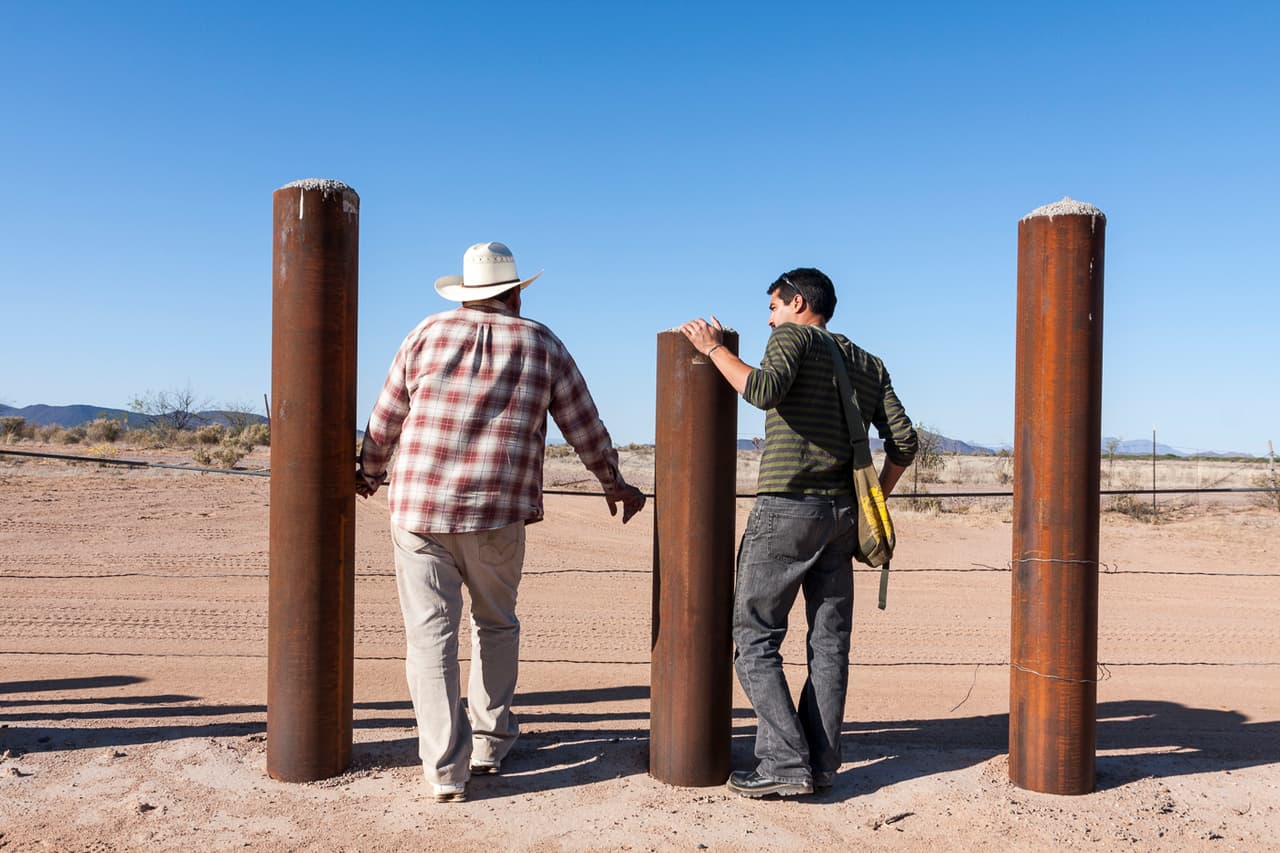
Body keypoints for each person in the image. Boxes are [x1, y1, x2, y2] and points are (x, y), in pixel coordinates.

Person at [358, 241, 646, 803]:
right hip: (496, 511)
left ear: (467, 293)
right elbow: (582, 423)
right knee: (495, 624)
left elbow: (387, 414)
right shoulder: (542, 342)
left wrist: (370, 472)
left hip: (420, 510)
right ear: (514, 292)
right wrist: (613, 481)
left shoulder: (425, 333)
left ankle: (444, 769)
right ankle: (489, 744)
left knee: (429, 638)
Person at [679, 267, 917, 798]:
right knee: (829, 644)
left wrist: (714, 348)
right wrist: (872, 496)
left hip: (787, 509)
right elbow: (904, 441)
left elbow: (762, 391)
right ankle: (822, 763)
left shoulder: (794, 337)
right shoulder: (868, 362)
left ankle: (785, 765)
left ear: (798, 302)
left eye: (773, 308)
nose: (768, 321)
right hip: (842, 517)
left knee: (754, 637)